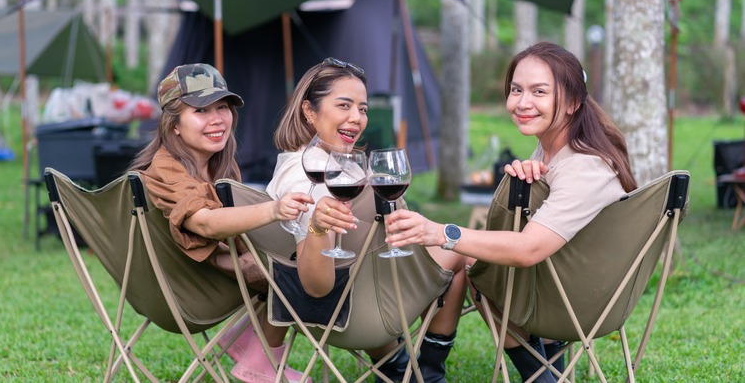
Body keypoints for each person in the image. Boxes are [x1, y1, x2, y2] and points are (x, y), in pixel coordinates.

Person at [384, 41, 637, 382]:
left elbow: (528, 249)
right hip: (577, 289)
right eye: (516, 90)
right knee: (475, 259)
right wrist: (529, 186)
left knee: (478, 265)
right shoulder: (555, 151)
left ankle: (530, 376)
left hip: (578, 304)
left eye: (539, 92)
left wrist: (441, 232)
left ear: (573, 103)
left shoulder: (584, 165)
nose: (522, 103)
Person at [265, 57, 468, 383]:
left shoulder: (301, 162)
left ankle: (398, 366)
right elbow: (317, 285)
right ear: (308, 111)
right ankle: (427, 372)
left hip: (343, 303)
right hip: (352, 312)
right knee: (459, 249)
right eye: (344, 105)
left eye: (362, 109)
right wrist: (318, 225)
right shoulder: (311, 177)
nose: (356, 118)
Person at [129, 63, 313, 383]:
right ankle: (260, 361)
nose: (217, 119)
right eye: (201, 110)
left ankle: (246, 341)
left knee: (303, 257)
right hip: (188, 287)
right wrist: (274, 210)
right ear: (174, 124)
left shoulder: (215, 165)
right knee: (299, 272)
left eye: (223, 107)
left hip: (211, 272)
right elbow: (207, 225)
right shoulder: (166, 168)